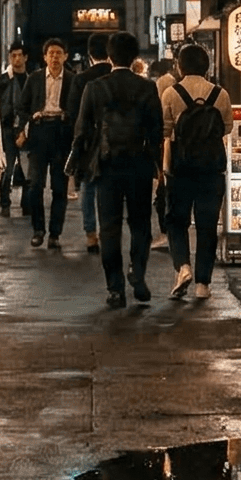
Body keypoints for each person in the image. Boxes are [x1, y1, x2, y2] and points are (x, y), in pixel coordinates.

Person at [69, 32, 166, 306]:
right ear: (135, 56)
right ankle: (137, 271)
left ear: (109, 56)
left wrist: (80, 162)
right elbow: (157, 130)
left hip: (106, 165)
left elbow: (82, 129)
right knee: (140, 223)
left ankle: (115, 288)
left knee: (109, 227)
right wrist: (156, 163)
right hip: (139, 164)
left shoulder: (95, 88)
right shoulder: (147, 88)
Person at [160, 43, 234, 300]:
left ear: (179, 66)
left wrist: (163, 170)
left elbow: (165, 132)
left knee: (176, 222)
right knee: (206, 225)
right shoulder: (220, 94)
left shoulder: (171, 93)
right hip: (211, 170)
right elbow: (226, 128)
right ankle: (203, 284)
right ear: (207, 66)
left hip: (180, 169)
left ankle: (183, 267)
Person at [16, 40, 76, 249]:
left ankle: (55, 234)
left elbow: (77, 109)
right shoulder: (34, 79)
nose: (55, 57)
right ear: (44, 57)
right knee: (35, 185)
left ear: (66, 56)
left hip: (61, 132)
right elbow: (21, 108)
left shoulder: (72, 80)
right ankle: (38, 229)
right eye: (51, 53)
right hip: (39, 132)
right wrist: (29, 120)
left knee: (59, 187)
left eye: (59, 53)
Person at [76, 44, 115, 252]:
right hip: (114, 142)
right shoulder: (116, 76)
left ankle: (90, 234)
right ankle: (107, 231)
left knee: (88, 188)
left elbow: (76, 115)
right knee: (110, 188)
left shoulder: (82, 79)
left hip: (89, 143)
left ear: (90, 55)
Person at [0, 46, 30, 215]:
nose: (16, 59)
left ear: (25, 57)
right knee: (7, 168)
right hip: (7, 128)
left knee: (27, 167)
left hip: (25, 128)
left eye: (19, 55)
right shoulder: (3, 80)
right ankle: (5, 204)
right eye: (13, 56)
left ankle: (26, 204)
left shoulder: (30, 79)